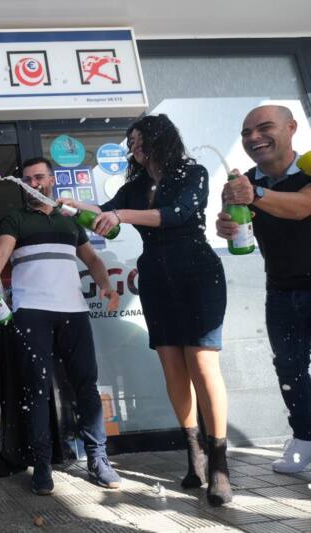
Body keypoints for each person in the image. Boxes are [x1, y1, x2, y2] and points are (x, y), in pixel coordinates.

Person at [62, 114, 231, 506]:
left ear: (159, 140)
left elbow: (177, 214)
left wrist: (122, 215)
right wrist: (71, 205)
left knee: (203, 364)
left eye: (139, 142)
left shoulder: (193, 172)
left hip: (198, 273)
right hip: (156, 276)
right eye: (131, 143)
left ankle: (220, 465)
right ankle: (195, 455)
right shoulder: (135, 186)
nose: (133, 149)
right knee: (172, 366)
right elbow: (103, 212)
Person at [0, 157, 122, 496]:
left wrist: (107, 287)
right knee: (36, 390)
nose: (33, 183)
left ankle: (98, 459)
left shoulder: (69, 220)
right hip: (32, 313)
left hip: (74, 312)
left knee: (86, 386)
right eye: (27, 179)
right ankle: (41, 463)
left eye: (39, 177)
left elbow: (93, 260)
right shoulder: (15, 219)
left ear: (52, 180)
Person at [217, 104, 311, 475]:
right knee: (289, 370)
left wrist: (252, 194)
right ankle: (304, 443)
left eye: (264, 128)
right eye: (246, 133)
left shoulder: (308, 168)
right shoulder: (245, 182)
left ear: (290, 127)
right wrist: (227, 225)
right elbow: (241, 230)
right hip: (281, 289)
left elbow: (304, 206)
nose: (254, 137)